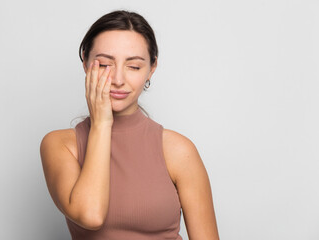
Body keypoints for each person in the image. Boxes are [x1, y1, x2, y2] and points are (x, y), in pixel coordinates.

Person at [40, 10, 219, 240]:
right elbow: (90, 215)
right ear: (85, 62)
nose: (118, 79)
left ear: (151, 69)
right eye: (105, 64)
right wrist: (102, 123)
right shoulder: (60, 145)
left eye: (133, 67)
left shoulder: (178, 150)